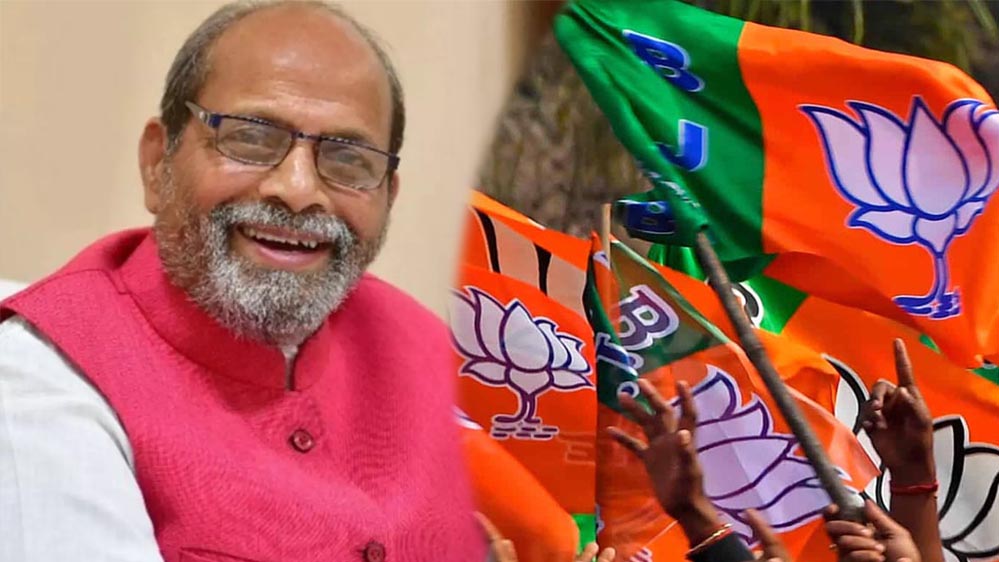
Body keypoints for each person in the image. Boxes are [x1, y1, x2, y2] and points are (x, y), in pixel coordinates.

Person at [0, 2, 483, 561]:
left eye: (348, 159)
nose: (298, 190)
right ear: (158, 162)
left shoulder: (432, 352)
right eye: (251, 139)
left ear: (387, 197)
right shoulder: (44, 382)